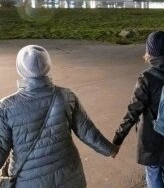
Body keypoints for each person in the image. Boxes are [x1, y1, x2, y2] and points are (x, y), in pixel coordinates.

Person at [0, 45, 117, 188]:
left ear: (21, 68)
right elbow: (87, 130)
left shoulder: (6, 107)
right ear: (48, 66)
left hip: (28, 181)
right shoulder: (67, 96)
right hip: (71, 176)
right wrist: (109, 149)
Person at [112, 31, 164, 188]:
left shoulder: (146, 77)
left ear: (150, 52)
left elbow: (133, 112)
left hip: (152, 136)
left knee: (153, 170)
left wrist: (118, 139)